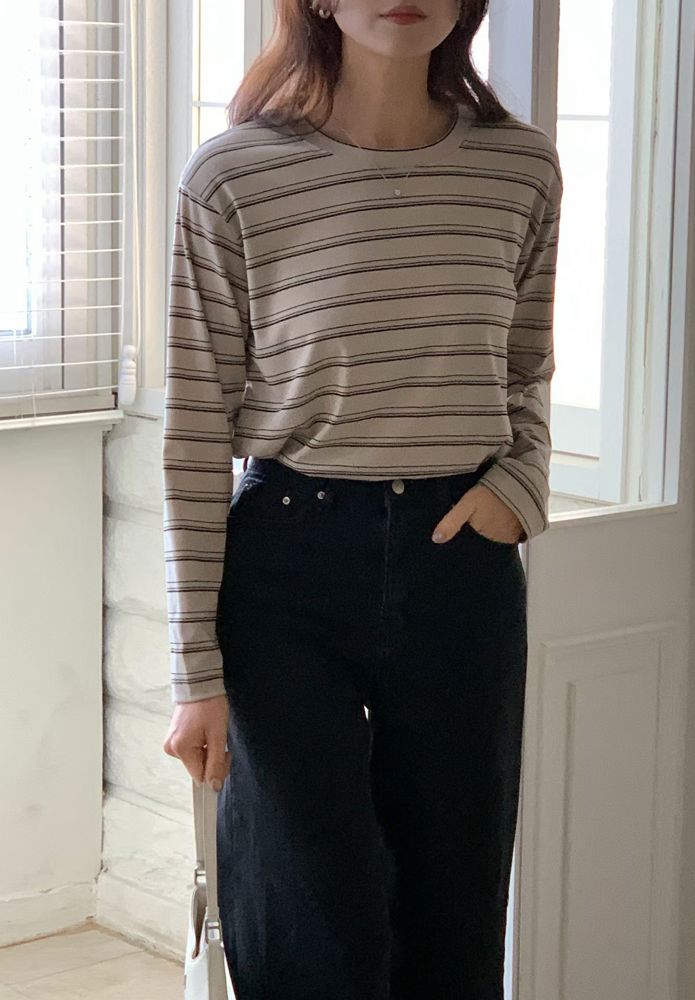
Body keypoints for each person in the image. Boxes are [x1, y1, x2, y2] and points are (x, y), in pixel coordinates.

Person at [161, 0, 563, 996]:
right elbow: (196, 428)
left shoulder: (519, 169)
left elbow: (525, 372)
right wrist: (194, 668)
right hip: (287, 570)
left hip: (460, 561)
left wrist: (519, 488)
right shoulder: (232, 177)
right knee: (309, 923)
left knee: (455, 914)